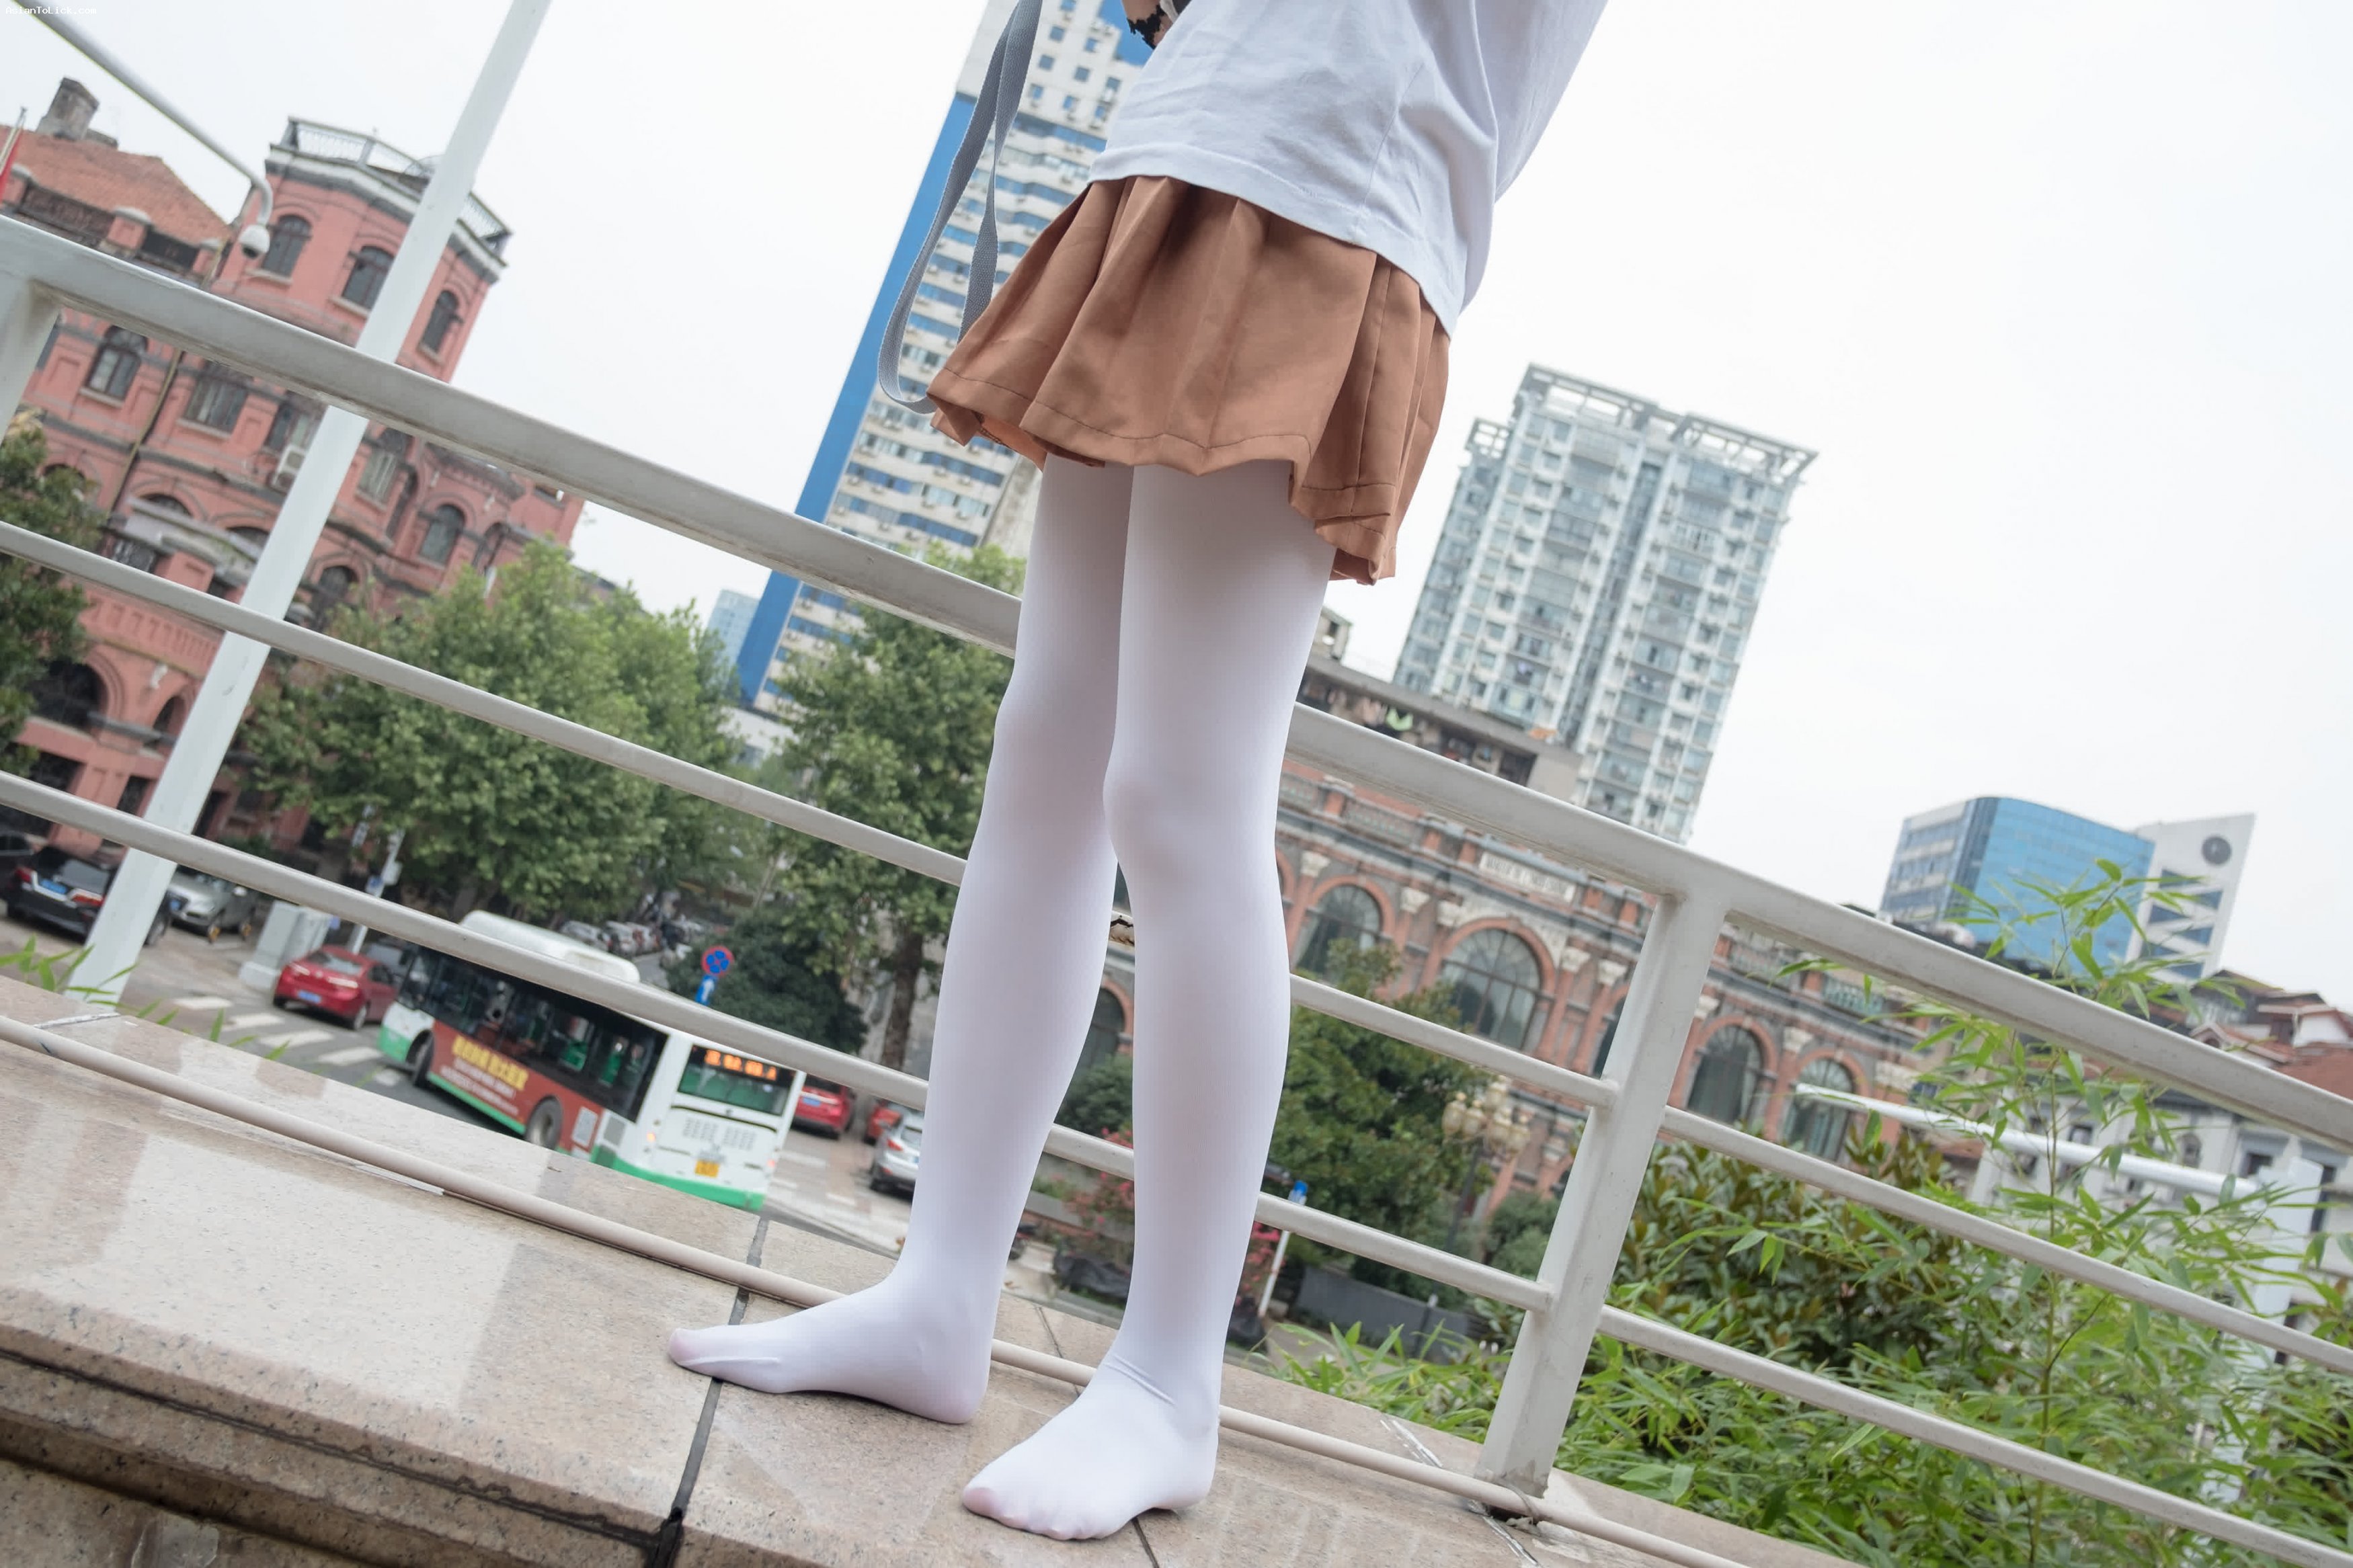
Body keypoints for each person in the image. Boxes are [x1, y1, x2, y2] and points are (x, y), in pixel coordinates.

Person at [670, 0, 1609, 1540]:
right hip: (1195, 150)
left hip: (1331, 184)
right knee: (1048, 757)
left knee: (1181, 795)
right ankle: (940, 1293)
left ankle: (1170, 1382)